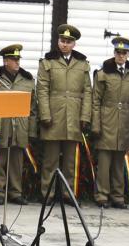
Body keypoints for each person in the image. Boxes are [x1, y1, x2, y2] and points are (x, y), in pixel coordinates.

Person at [37, 24, 92, 203]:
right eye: (62, 41)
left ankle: (68, 193)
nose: (65, 44)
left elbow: (87, 92)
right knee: (50, 161)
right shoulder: (47, 62)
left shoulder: (82, 64)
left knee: (70, 161)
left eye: (69, 42)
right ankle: (48, 193)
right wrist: (44, 114)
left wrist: (85, 116)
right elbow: (42, 90)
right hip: (53, 116)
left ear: (74, 44)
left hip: (74, 117)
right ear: (58, 42)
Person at [91, 37, 129, 209]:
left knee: (119, 163)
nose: (120, 56)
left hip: (125, 123)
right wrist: (96, 125)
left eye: (124, 53)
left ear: (128, 55)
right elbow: (95, 100)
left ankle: (118, 196)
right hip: (106, 120)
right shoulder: (103, 73)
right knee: (104, 163)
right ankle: (102, 195)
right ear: (114, 53)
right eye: (118, 52)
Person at [0, 44, 35, 206]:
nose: (17, 62)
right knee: (0, 160)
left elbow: (33, 108)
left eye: (18, 59)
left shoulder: (27, 80)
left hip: (20, 126)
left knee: (17, 161)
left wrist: (31, 131)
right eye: (13, 59)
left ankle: (15, 192)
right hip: (2, 125)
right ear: (5, 61)